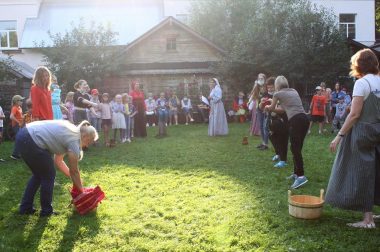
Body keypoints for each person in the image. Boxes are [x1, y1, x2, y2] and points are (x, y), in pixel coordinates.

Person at [325, 49, 380, 229]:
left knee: (362, 170)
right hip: (378, 130)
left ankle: (368, 219)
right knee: (376, 169)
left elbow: (355, 114)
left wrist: (339, 136)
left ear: (358, 65)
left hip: (363, 131)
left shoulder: (362, 83)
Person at [17, 120, 98, 216]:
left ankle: (25, 208)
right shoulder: (74, 140)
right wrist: (82, 192)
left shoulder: (71, 132)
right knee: (48, 175)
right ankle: (46, 211)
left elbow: (58, 161)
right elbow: (74, 171)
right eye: (89, 141)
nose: (87, 145)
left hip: (23, 135)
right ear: (85, 136)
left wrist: (75, 181)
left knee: (39, 175)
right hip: (31, 139)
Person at [265, 76, 309, 189]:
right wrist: (273, 106)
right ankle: (296, 173)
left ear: (277, 85)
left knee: (295, 149)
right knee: (297, 148)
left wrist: (266, 106)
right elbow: (283, 109)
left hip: (295, 120)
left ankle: (301, 176)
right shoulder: (293, 91)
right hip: (304, 119)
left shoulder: (277, 94)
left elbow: (272, 108)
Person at [253, 74, 274, 150]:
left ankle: (266, 143)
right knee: (261, 126)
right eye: (259, 78)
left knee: (265, 127)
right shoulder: (257, 86)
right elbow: (255, 96)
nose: (260, 79)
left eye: (262, 78)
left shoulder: (267, 87)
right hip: (260, 108)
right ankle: (263, 142)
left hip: (268, 110)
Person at [10, 95, 25, 160]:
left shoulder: (19, 108)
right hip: (16, 126)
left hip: (20, 125)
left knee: (20, 139)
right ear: (16, 101)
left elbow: (20, 116)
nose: (22, 102)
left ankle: (18, 154)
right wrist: (18, 122)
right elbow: (11, 116)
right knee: (19, 139)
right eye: (21, 100)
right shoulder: (14, 108)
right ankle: (15, 155)